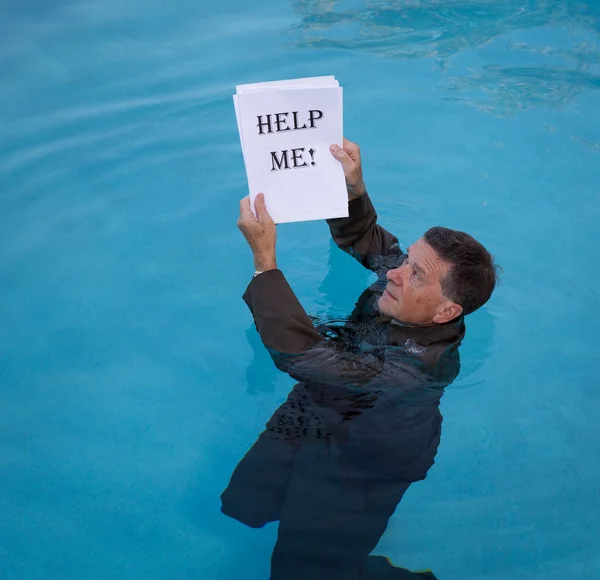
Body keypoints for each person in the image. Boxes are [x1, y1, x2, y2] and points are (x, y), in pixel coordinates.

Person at [221, 139, 500, 580]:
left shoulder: (416, 366)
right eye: (408, 258)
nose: (395, 271)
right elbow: (368, 240)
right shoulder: (405, 291)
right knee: (243, 506)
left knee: (300, 574)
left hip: (363, 462)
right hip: (319, 405)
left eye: (415, 274)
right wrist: (352, 187)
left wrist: (265, 263)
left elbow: (306, 357)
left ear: (447, 312)